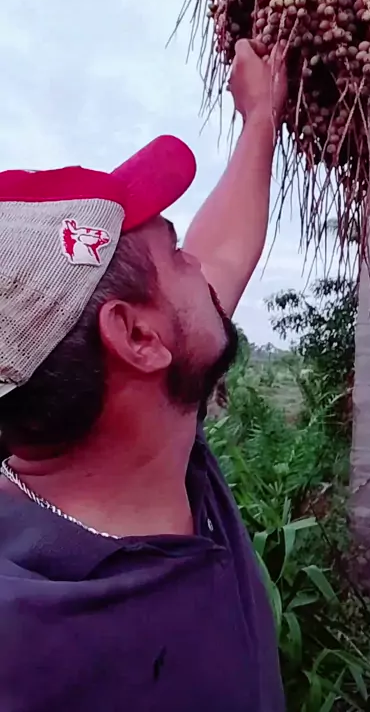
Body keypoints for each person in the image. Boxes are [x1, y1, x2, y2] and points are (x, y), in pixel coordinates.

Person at [0, 39, 288, 712]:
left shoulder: (151, 438)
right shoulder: (34, 657)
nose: (200, 267)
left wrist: (261, 117)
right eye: (176, 253)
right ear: (137, 339)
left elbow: (219, 258)